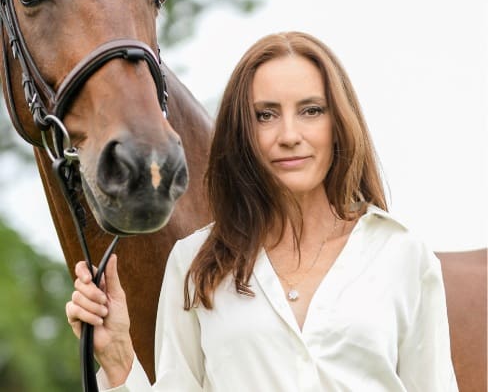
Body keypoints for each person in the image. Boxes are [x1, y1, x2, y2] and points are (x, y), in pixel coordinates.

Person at [66, 31, 458, 391]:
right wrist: (117, 357)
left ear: (339, 123)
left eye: (311, 110)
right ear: (242, 131)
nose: (289, 136)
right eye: (265, 115)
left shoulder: (403, 255)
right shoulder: (193, 265)